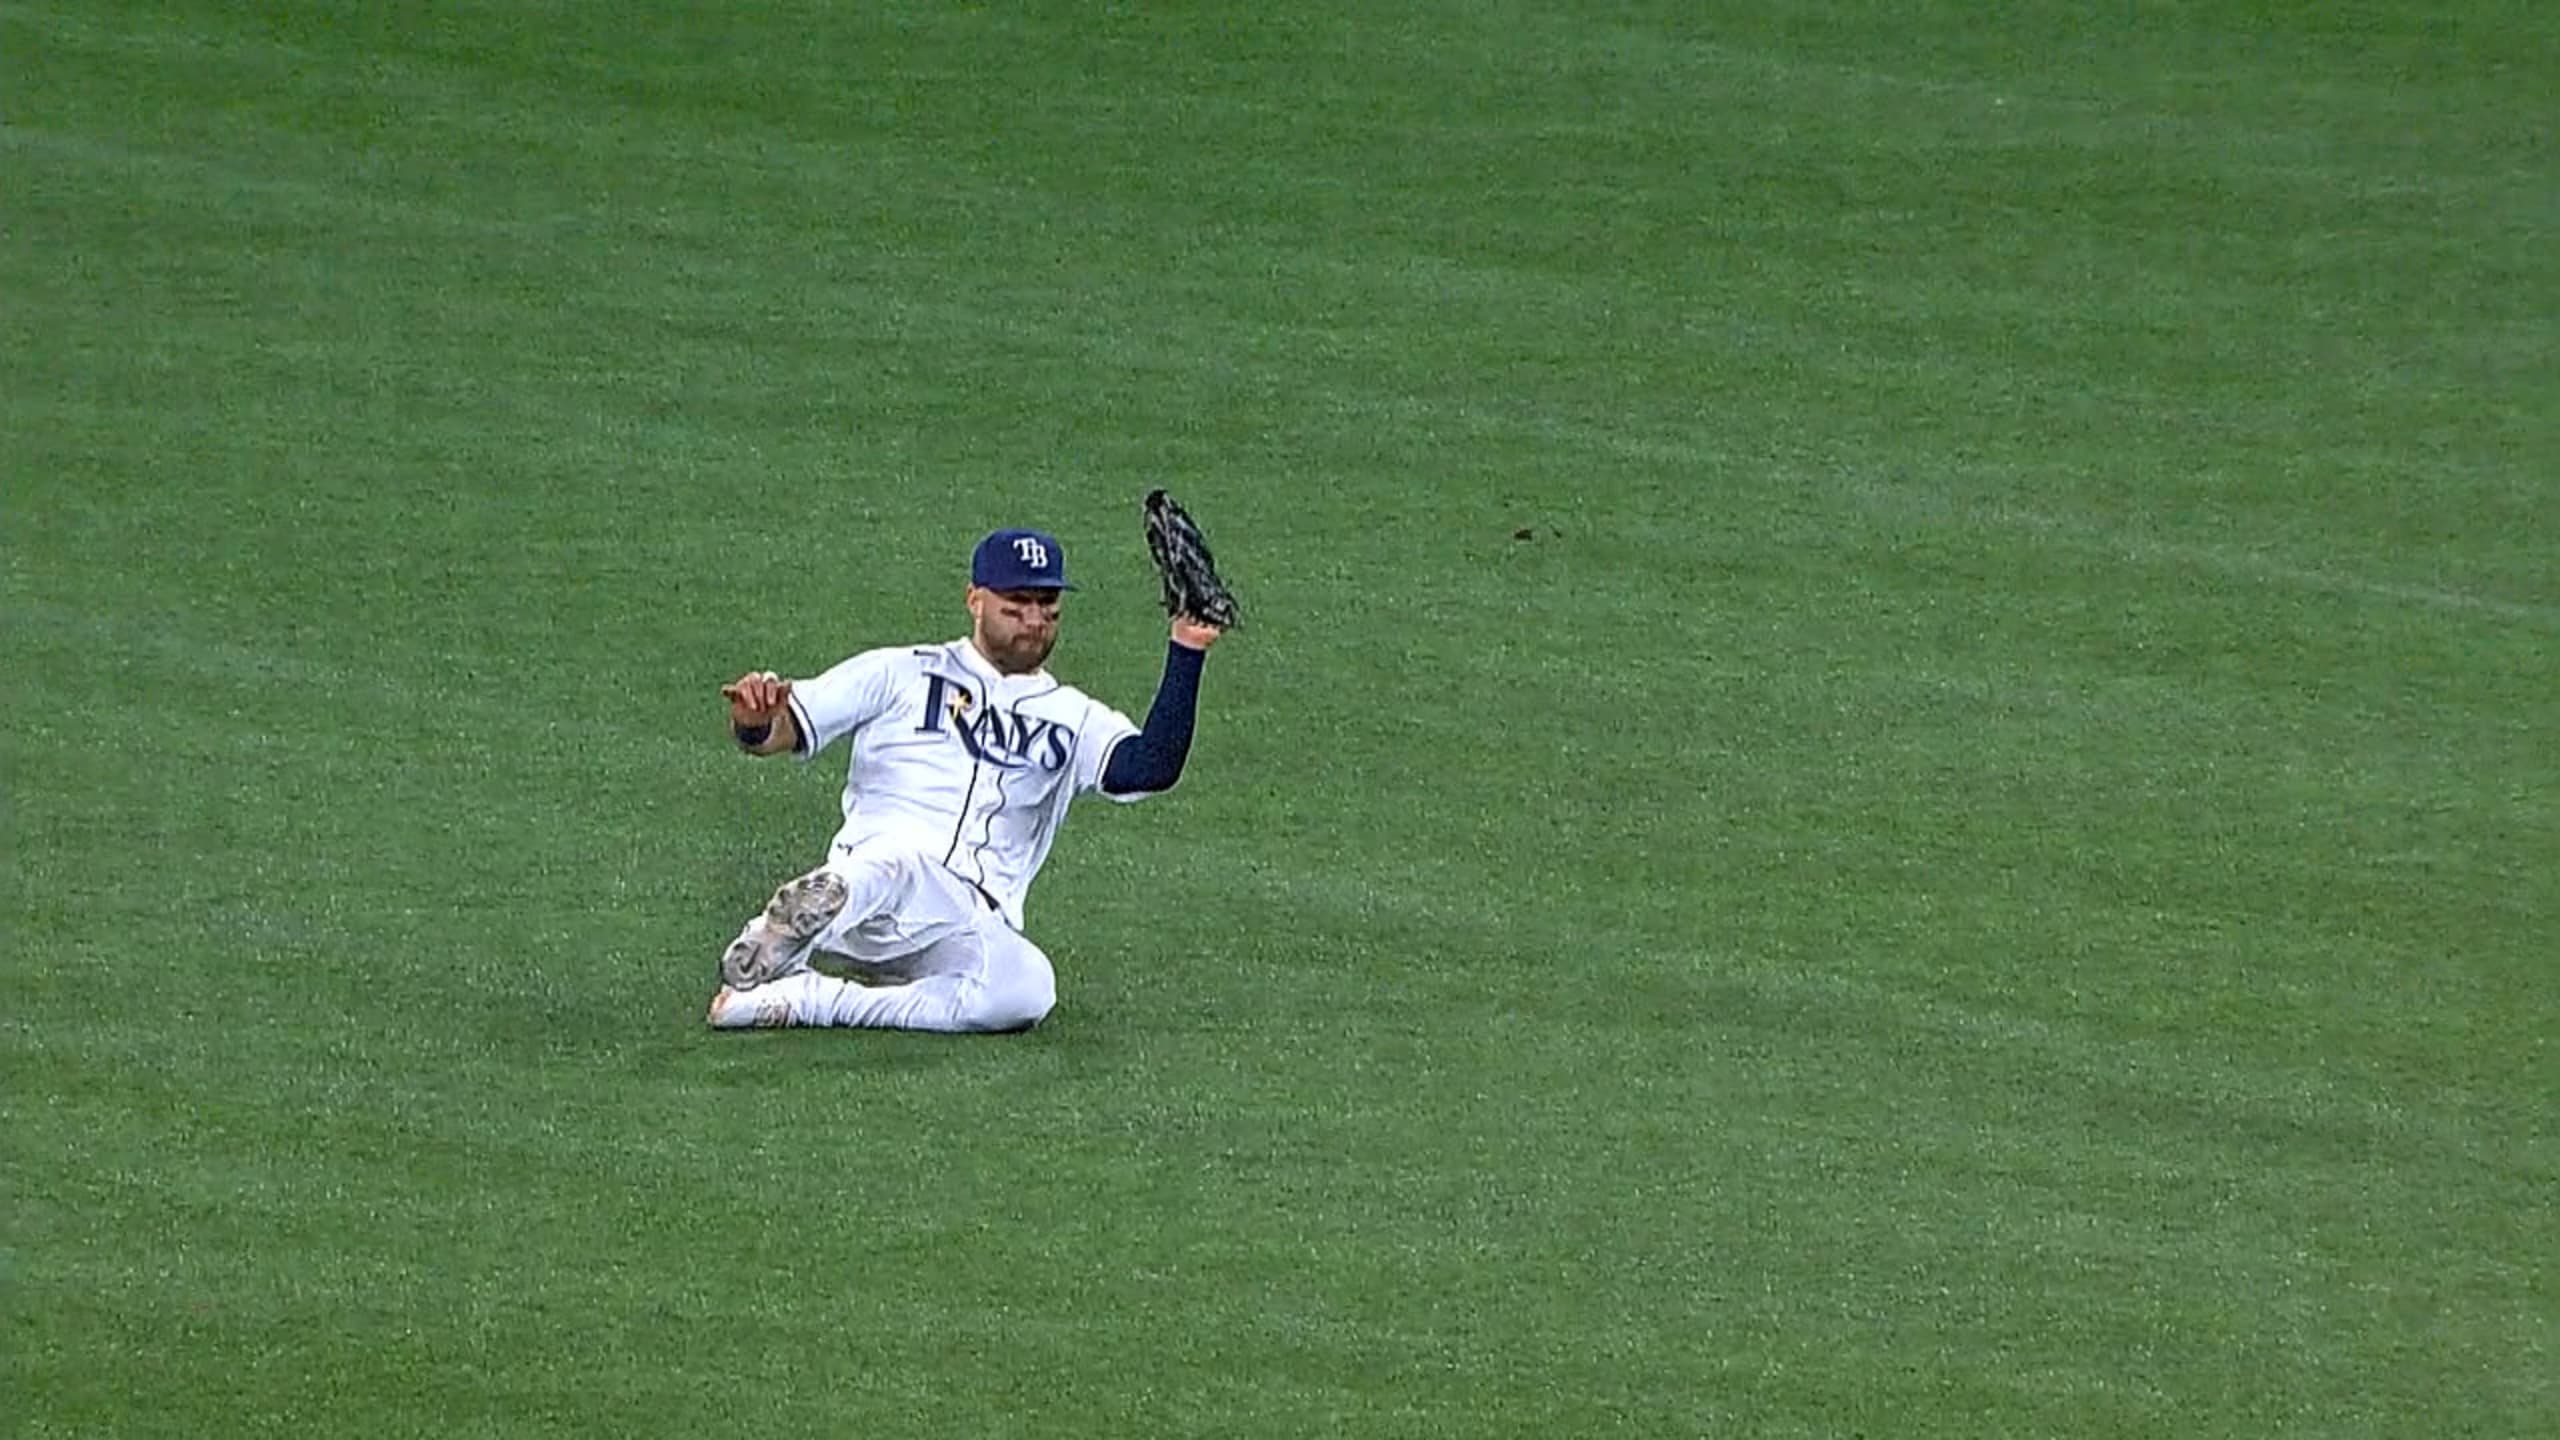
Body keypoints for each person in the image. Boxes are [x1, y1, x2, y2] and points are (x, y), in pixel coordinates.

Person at [706, 526, 1222, 1033]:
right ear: (974, 599)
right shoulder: (898, 672)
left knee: (1028, 990)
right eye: (1016, 605)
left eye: (1048, 607)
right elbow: (781, 730)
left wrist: (1187, 648)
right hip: (869, 894)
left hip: (962, 925)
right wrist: (754, 721)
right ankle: (785, 929)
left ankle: (804, 998)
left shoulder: (1075, 717)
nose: (1034, 620)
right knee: (899, 863)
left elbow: (1150, 767)